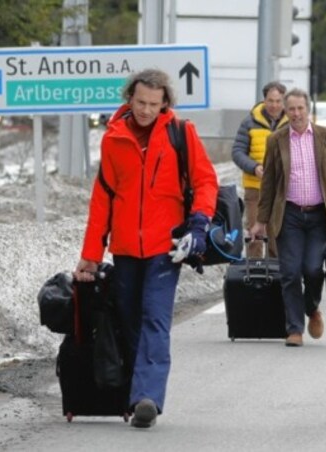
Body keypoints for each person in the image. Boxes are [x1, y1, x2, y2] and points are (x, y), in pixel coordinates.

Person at [73, 68, 219, 429]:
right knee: (129, 318)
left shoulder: (180, 133)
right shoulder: (113, 138)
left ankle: (147, 398)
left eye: (154, 104)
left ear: (165, 103)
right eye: (140, 102)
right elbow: (103, 198)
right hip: (124, 248)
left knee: (155, 317)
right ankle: (136, 389)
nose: (145, 110)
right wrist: (91, 255)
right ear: (129, 98)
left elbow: (205, 181)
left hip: (165, 246)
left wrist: (199, 224)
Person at [250, 88, 326, 347]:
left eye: (300, 108)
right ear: (285, 112)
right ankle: (294, 329)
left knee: (311, 269)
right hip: (289, 215)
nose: (296, 114)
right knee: (289, 272)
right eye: (291, 109)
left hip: (319, 214)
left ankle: (312, 309)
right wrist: (260, 220)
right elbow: (270, 184)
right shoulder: (277, 140)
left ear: (308, 109)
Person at [232, 81, 288, 258]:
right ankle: (255, 272)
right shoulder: (249, 122)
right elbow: (237, 152)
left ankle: (276, 273)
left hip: (281, 189)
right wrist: (254, 167)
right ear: (264, 100)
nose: (274, 105)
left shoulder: (291, 123)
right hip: (255, 188)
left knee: (276, 233)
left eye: (278, 101)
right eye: (270, 100)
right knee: (255, 233)